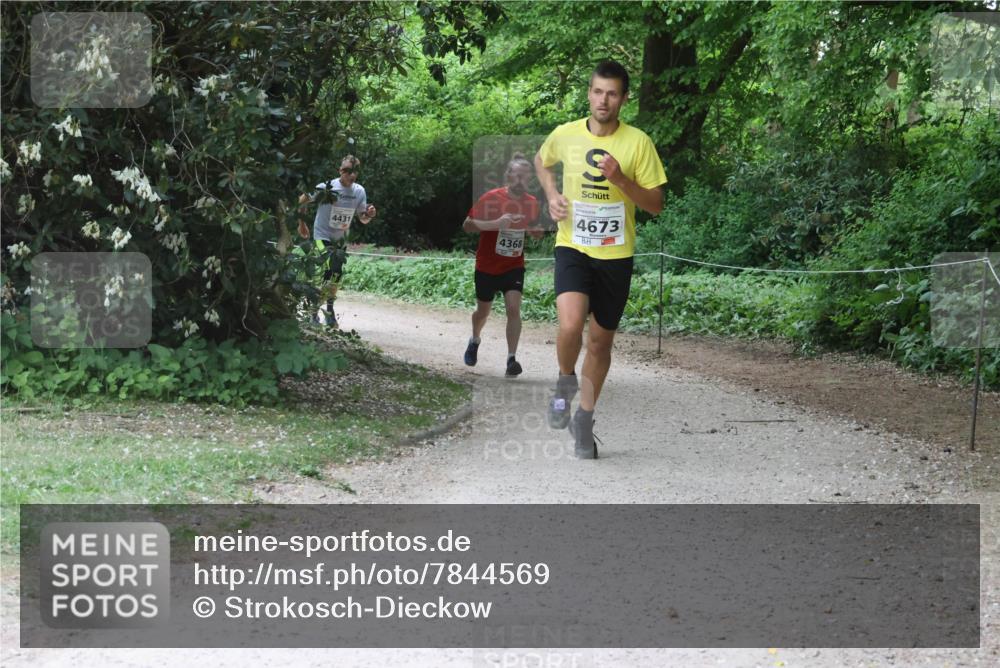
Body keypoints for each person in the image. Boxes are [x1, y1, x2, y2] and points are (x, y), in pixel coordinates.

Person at [534, 60, 667, 459]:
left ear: (624, 98)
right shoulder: (567, 134)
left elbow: (656, 205)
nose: (603, 100)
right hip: (572, 245)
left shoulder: (638, 143)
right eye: (597, 91)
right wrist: (551, 195)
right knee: (571, 323)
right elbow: (543, 161)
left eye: (611, 93)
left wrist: (622, 180)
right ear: (588, 93)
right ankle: (563, 382)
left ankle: (584, 421)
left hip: (615, 254)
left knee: (601, 343)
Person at [462, 153, 541, 377]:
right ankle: (475, 339)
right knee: (482, 312)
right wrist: (496, 223)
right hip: (487, 265)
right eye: (516, 176)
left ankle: (511, 359)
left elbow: (535, 230)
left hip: (513, 265)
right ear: (508, 176)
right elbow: (467, 225)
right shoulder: (491, 198)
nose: (520, 181)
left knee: (513, 309)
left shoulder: (532, 203)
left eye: (525, 178)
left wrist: (535, 232)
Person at [297, 154, 377, 329]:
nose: (351, 175)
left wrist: (369, 215)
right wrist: (301, 224)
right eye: (347, 171)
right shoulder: (326, 187)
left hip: (340, 242)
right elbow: (302, 199)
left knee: (336, 274)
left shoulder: (359, 191)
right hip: (322, 236)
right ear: (340, 171)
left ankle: (326, 311)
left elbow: (362, 218)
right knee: (330, 268)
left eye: (354, 171)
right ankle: (318, 313)